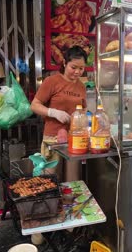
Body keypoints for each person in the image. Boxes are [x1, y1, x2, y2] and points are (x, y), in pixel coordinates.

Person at [31, 46, 87, 182]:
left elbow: (83, 109)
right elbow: (34, 105)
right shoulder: (52, 81)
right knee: (49, 177)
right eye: (73, 67)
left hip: (74, 139)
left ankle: (69, 202)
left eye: (81, 68)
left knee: (72, 178)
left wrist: (82, 119)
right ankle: (50, 203)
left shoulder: (81, 86)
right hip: (52, 139)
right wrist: (53, 112)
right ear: (64, 63)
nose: (77, 72)